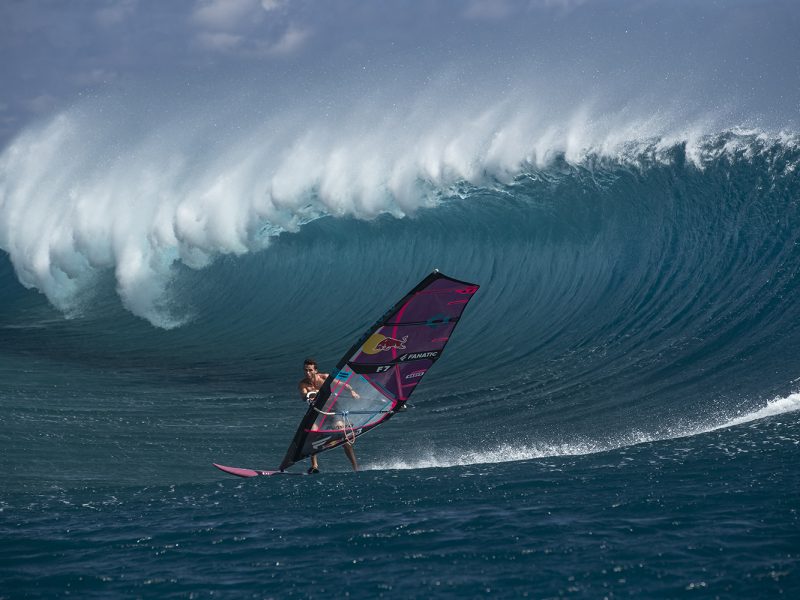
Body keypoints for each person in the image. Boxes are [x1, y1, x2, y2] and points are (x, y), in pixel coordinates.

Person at [298, 358, 359, 473]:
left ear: (316, 370)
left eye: (310, 370)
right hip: (318, 414)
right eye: (305, 370)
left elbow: (343, 385)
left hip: (333, 411)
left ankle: (355, 467)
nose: (307, 373)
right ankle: (315, 466)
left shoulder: (325, 378)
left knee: (344, 438)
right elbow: (304, 395)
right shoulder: (303, 384)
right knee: (311, 434)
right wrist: (308, 397)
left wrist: (352, 392)